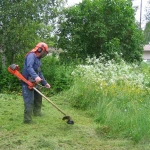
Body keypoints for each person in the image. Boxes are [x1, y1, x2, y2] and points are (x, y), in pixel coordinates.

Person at [22, 42, 50, 124]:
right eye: (45, 52)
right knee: (29, 101)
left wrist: (45, 83)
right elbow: (29, 67)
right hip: (27, 82)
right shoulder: (31, 55)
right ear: (40, 49)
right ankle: (27, 120)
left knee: (38, 97)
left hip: (34, 82)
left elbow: (39, 73)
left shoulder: (38, 60)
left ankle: (37, 113)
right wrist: (35, 76)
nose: (45, 54)